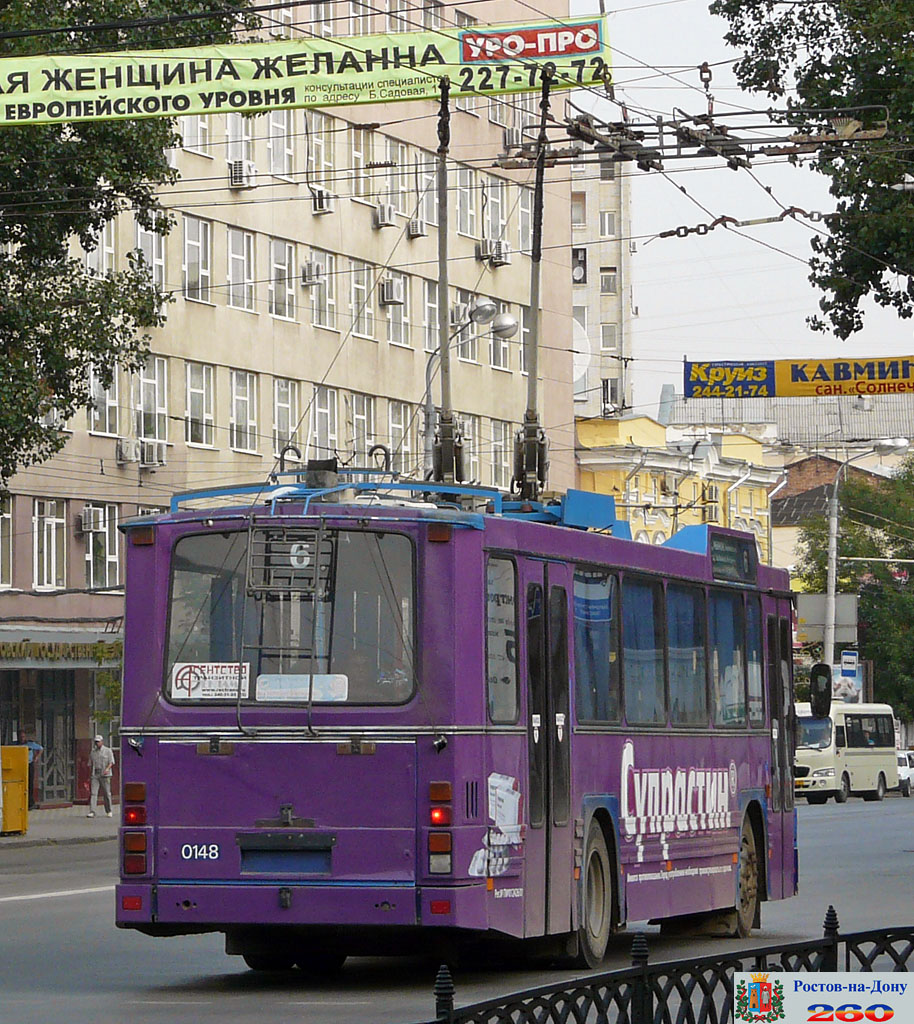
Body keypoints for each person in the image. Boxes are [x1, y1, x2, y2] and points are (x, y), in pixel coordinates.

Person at [87, 734, 115, 817]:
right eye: (96, 742)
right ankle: (92, 811)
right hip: (95, 774)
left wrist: (107, 769)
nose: (97, 744)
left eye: (98, 742)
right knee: (93, 793)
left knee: (106, 793)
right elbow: (90, 763)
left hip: (105, 774)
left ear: (102, 742)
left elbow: (111, 762)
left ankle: (109, 810)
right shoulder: (93, 752)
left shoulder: (108, 750)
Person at [22, 734, 43, 810]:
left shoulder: (30, 744)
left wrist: (36, 757)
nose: (22, 738)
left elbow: (40, 748)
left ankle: (30, 803)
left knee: (30, 783)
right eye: (20, 737)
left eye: (23, 737)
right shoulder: (16, 744)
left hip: (29, 764)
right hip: (20, 765)